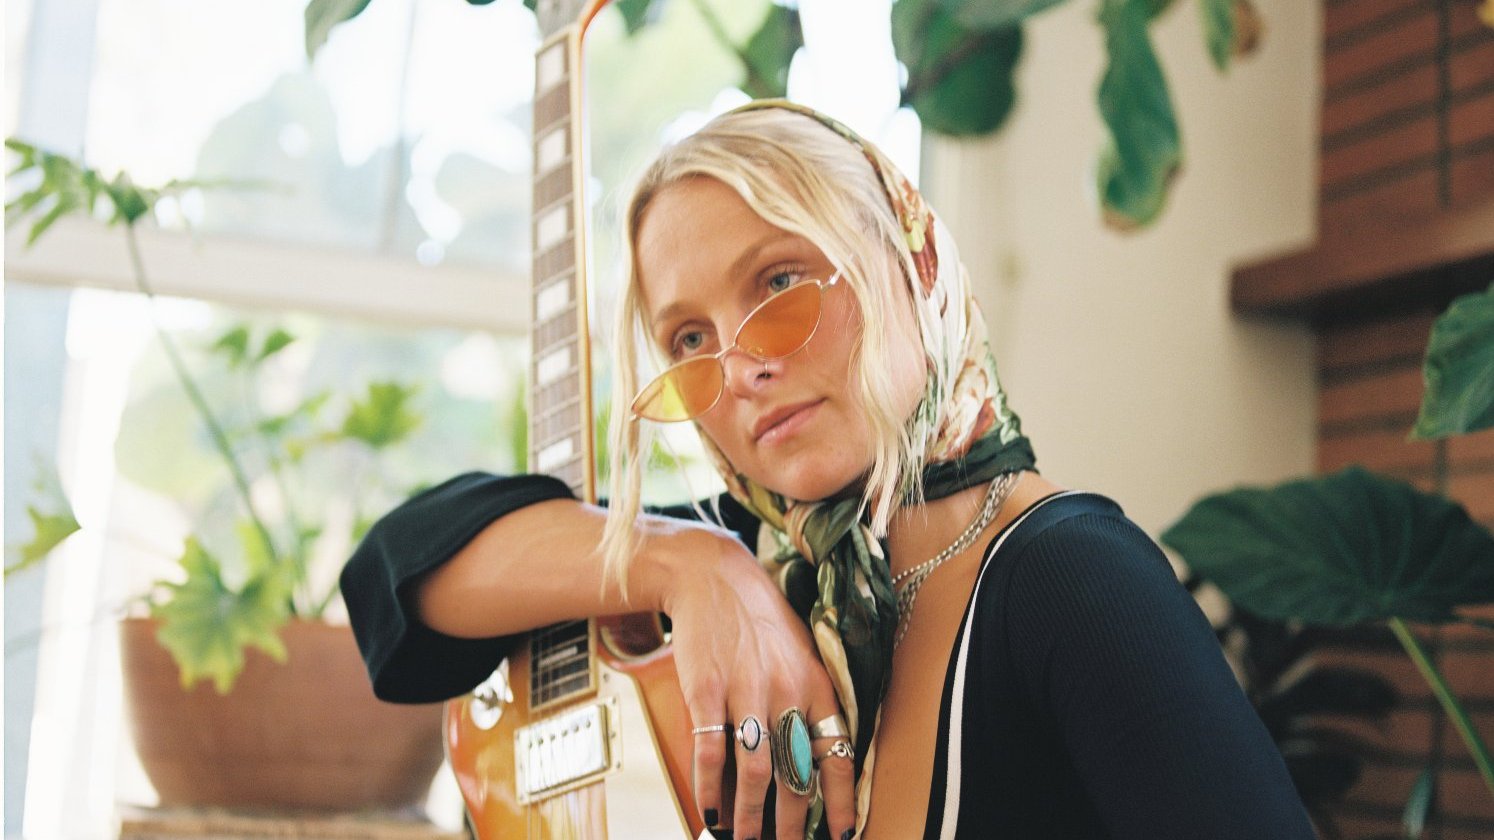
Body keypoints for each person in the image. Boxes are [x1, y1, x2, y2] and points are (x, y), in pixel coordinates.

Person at [342, 100, 1317, 840]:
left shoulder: (1068, 579)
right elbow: (396, 590)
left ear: (913, 260)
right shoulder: (759, 552)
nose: (745, 366)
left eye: (778, 281)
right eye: (690, 337)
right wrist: (692, 568)